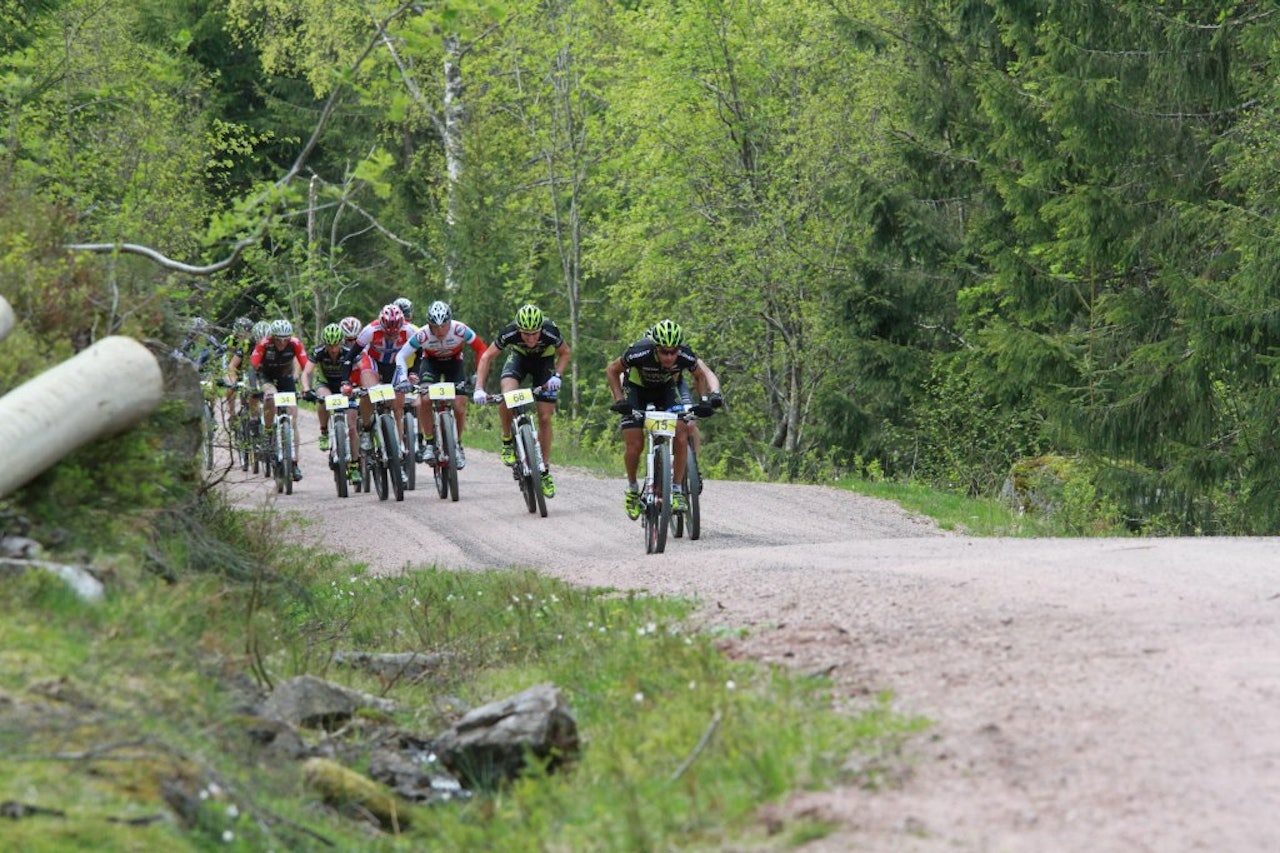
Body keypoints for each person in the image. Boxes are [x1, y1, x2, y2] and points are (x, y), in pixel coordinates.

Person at [604, 319, 723, 519]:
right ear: (655, 348)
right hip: (636, 391)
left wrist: (703, 401)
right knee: (634, 444)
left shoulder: (685, 354)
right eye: (664, 352)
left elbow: (700, 375)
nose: (669, 357)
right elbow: (612, 370)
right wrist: (620, 400)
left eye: (673, 352)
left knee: (682, 429)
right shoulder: (640, 351)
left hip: (665, 390)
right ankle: (632, 489)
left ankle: (676, 489)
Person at [472, 303, 570, 497]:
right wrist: (479, 389)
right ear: (518, 330)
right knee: (507, 395)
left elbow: (565, 352)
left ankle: (544, 471)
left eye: (535, 333)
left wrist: (557, 376)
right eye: (526, 334)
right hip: (519, 359)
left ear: (541, 328)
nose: (531, 338)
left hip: (544, 363)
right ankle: (508, 441)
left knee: (544, 417)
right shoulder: (509, 332)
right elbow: (486, 357)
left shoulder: (551, 331)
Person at [394, 300, 487, 468]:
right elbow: (401, 355)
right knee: (426, 398)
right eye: (434, 327)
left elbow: (481, 349)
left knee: (459, 406)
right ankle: (429, 443)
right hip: (431, 364)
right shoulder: (422, 335)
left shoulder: (459, 330)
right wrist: (402, 378)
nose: (439, 331)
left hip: (454, 363)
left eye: (443, 326)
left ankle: (457, 444)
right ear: (428, 324)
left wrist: (477, 376)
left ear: (450, 322)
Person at [353, 304, 415, 474]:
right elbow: (352, 354)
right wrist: (346, 380)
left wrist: (414, 373)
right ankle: (366, 431)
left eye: (396, 331)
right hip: (372, 362)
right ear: (381, 325)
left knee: (397, 407)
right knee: (368, 393)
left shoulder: (409, 331)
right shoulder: (370, 331)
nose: (392, 335)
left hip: (395, 365)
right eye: (388, 331)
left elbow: (422, 353)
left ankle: (399, 447)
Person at [301, 323, 364, 485]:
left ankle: (355, 466)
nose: (333, 349)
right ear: (325, 344)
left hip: (345, 386)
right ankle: (323, 432)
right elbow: (306, 372)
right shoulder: (319, 352)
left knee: (352, 428)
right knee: (322, 399)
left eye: (336, 345)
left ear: (341, 342)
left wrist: (361, 387)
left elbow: (362, 369)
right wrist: (307, 389)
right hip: (326, 384)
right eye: (330, 345)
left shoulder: (349, 352)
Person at [250, 318, 309, 481]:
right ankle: (268, 432)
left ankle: (295, 463)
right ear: (272, 337)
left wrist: (306, 388)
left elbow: (306, 366)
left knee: (293, 418)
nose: (282, 343)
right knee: (270, 397)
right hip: (266, 376)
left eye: (285, 339)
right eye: (278, 339)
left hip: (285, 376)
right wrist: (253, 387)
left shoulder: (295, 343)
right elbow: (252, 366)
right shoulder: (264, 343)